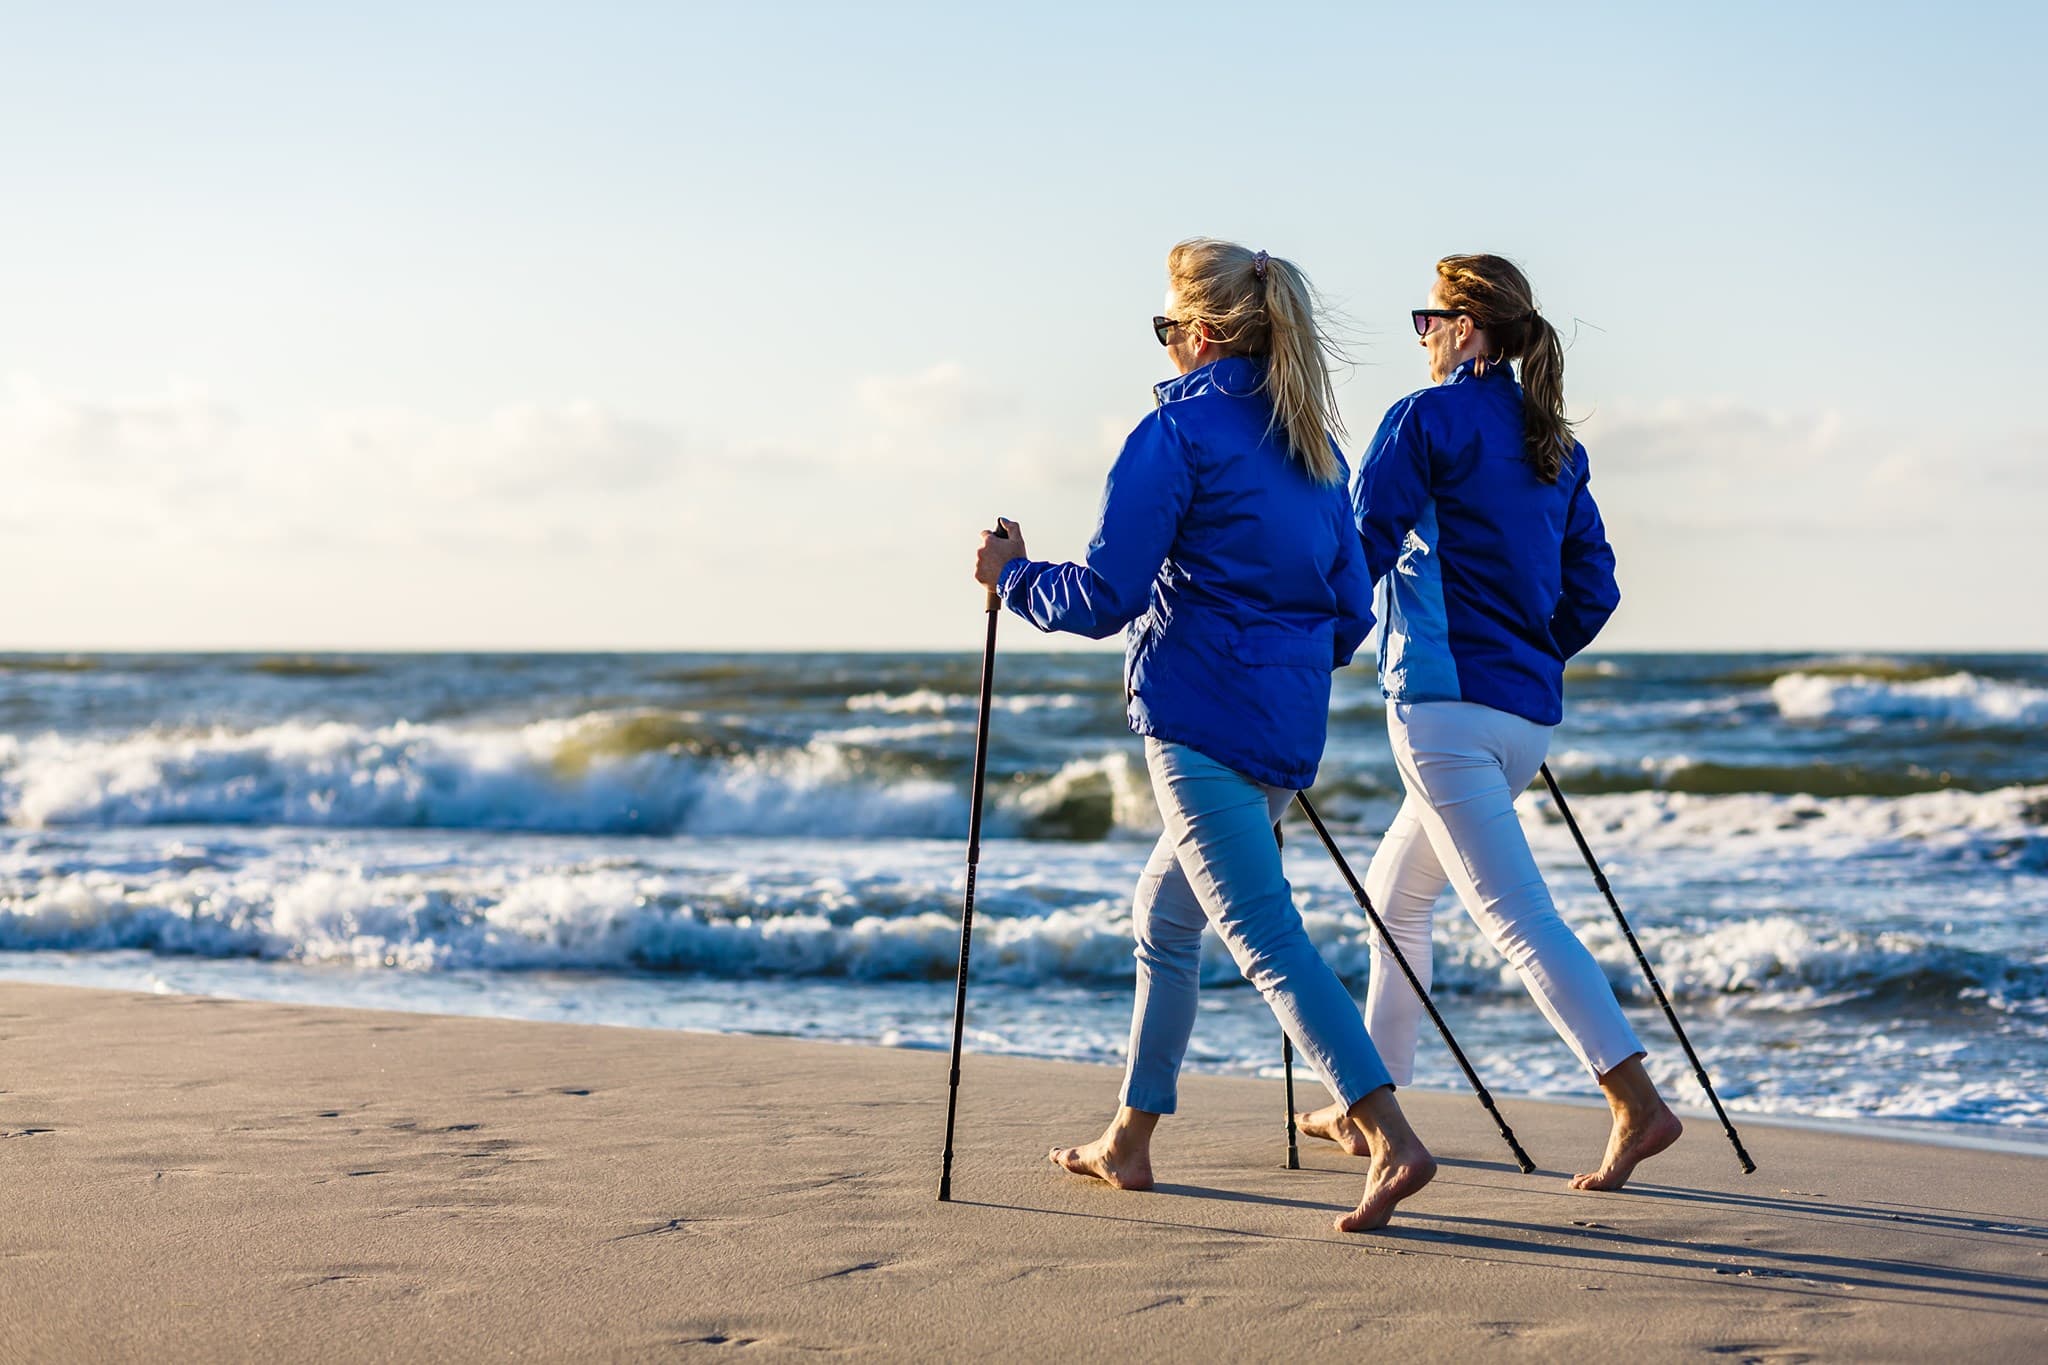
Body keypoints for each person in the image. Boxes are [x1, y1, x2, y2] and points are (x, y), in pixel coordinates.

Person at [971, 238, 1433, 1233]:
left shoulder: (1175, 433)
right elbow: (1350, 610)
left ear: (1204, 330)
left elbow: (1103, 597)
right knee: (1164, 918)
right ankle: (1129, 1141)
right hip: (1279, 729)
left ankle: (1388, 1134)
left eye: (1165, 326)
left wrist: (1010, 577)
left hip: (1195, 720)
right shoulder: (1312, 447)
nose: (1165, 345)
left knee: (1262, 936)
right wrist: (1281, 659)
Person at [1293, 253, 1681, 1191]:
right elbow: (1597, 586)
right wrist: (1537, 651)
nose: (1422, 335)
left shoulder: (1425, 418)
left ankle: (1635, 1098)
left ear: (1466, 329)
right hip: (1521, 722)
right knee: (1398, 901)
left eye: (1429, 318)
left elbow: (1360, 549)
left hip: (1441, 712)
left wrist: (1311, 646)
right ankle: (1362, 1104)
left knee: (1514, 917)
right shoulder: (1554, 440)